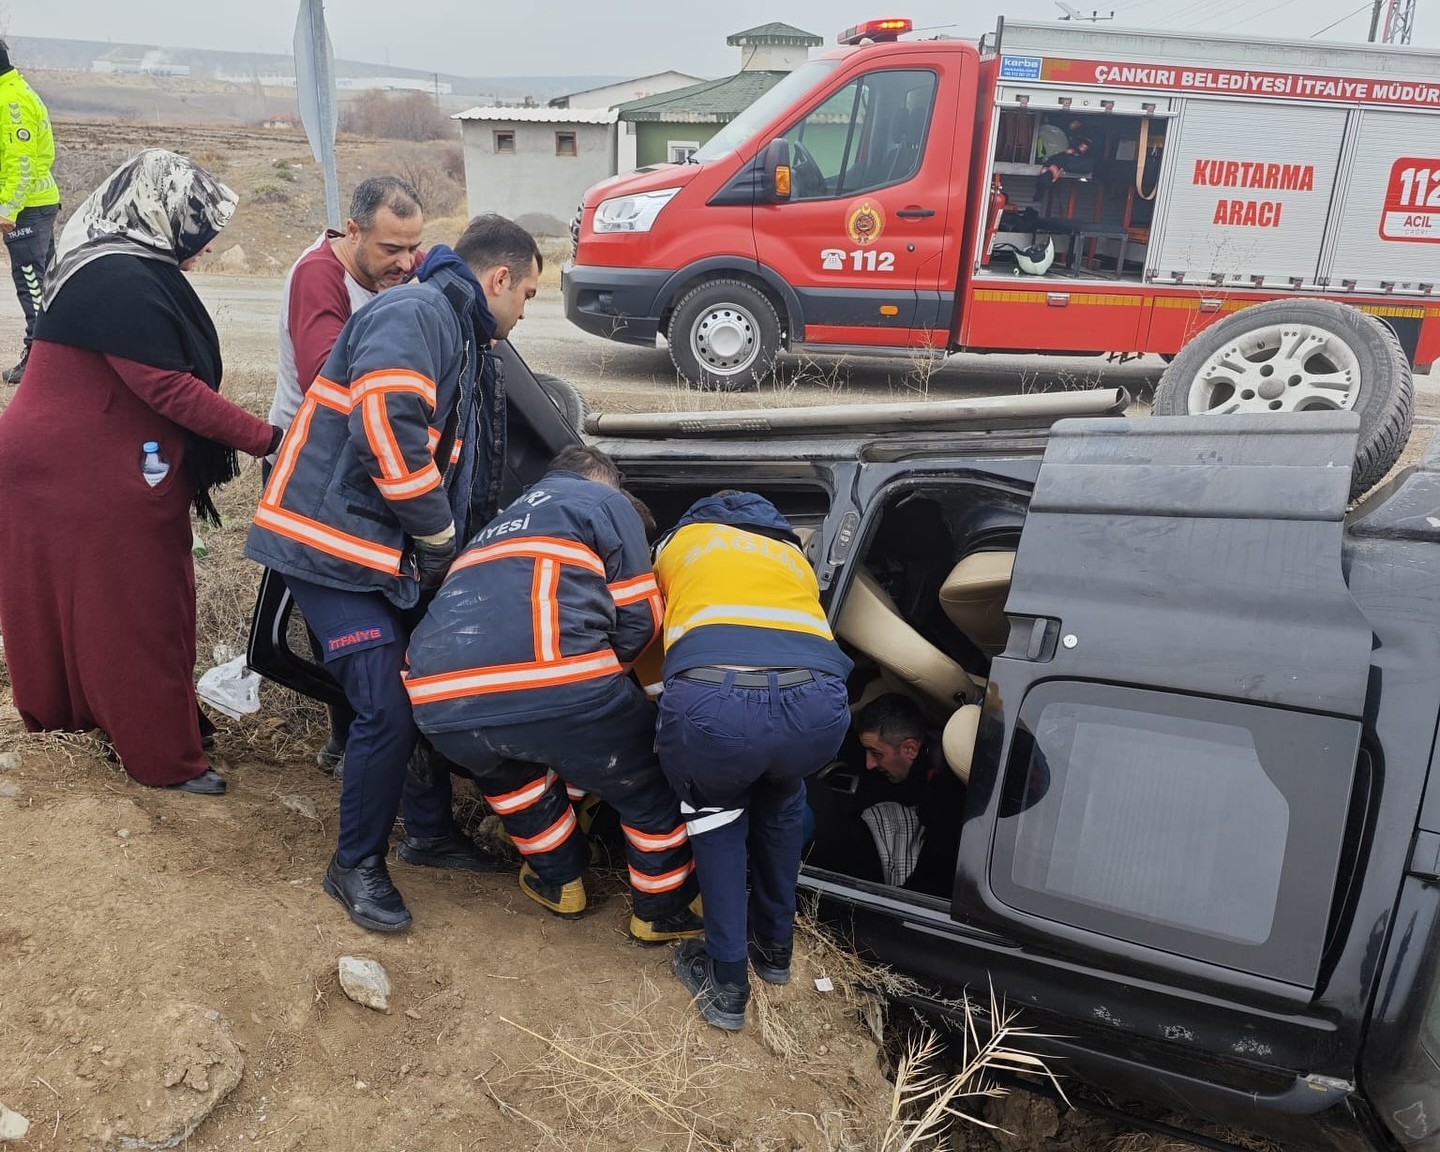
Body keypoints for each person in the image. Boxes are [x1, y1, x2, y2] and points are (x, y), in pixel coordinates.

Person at [245, 213, 543, 933]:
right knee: (386, 701)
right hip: (330, 545)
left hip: (370, 550)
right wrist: (439, 536)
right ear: (498, 278)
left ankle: (432, 834)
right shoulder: (420, 311)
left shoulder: (460, 334)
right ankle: (355, 865)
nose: (528, 311)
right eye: (529, 294)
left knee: (423, 678)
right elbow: (386, 427)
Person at [0, 149, 283, 793]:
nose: (204, 250)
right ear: (161, 214)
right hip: (75, 469)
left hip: (68, 460)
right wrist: (269, 438)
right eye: (198, 231)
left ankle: (83, 720)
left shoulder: (113, 265)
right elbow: (169, 390)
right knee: (134, 607)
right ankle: (163, 759)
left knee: (93, 602)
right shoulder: (119, 278)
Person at [404, 445, 703, 943]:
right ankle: (661, 913)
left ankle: (560, 882)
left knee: (516, 783)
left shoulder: (495, 526)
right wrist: (607, 679)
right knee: (650, 788)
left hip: (439, 701)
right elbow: (640, 615)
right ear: (603, 479)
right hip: (555, 682)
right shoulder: (603, 503)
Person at [653, 491, 853, 1031]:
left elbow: (652, 639)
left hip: (716, 704)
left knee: (716, 823)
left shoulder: (677, 546)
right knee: (783, 799)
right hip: (816, 703)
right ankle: (775, 954)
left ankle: (726, 985)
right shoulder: (793, 557)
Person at [268, 175, 426, 777]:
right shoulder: (319, 276)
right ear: (352, 231)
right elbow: (326, 381)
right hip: (309, 469)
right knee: (337, 616)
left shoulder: (391, 271)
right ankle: (348, 733)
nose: (405, 263)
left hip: (353, 468)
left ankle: (360, 728)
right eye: (391, 249)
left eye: (413, 248)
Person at [807, 693, 966, 897]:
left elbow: (927, 889)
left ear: (910, 749)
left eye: (877, 754)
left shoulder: (945, 802)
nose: (869, 764)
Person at [0, 39, 60, 384]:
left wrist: (7, 209)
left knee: (33, 284)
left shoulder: (12, 100)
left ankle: (39, 362)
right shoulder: (10, 91)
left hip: (27, 208)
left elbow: (21, 164)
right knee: (46, 283)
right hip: (31, 205)